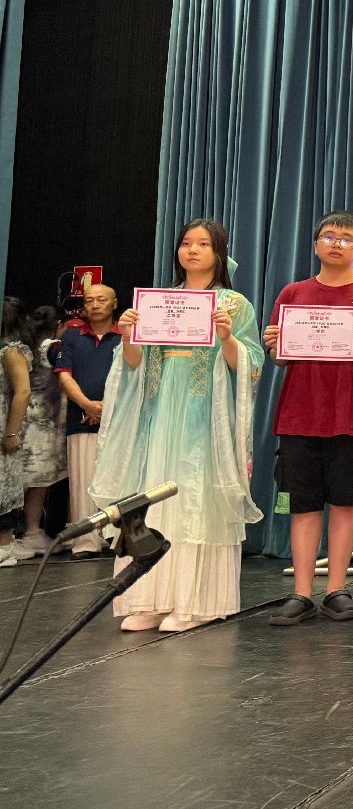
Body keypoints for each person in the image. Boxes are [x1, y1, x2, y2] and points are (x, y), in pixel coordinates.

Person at [93, 219, 264, 631]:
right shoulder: (159, 301)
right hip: (160, 411)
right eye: (187, 243)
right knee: (156, 498)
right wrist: (128, 335)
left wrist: (227, 338)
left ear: (218, 253)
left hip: (204, 413)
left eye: (203, 244)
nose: (193, 250)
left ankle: (195, 601)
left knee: (195, 498)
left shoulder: (233, 304)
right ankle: (151, 597)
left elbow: (251, 364)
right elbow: (134, 364)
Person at [262, 212, 353, 626]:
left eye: (347, 238)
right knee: (302, 505)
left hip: (348, 417)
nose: (337, 243)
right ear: (316, 244)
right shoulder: (293, 293)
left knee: (345, 502)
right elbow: (279, 359)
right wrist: (274, 344)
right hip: (298, 416)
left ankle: (336, 589)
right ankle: (301, 592)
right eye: (329, 236)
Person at [56, 284, 122, 558]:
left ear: (114, 303)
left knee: (119, 479)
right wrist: (87, 405)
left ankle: (118, 538)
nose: (94, 305)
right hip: (80, 419)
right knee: (82, 482)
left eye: (101, 300)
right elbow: (64, 376)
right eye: (89, 300)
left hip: (120, 421)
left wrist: (109, 408)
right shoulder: (72, 336)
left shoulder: (126, 335)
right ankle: (85, 541)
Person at [15, 305, 67, 553]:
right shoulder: (52, 348)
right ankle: (32, 531)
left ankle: (17, 532)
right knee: (37, 483)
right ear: (59, 325)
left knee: (22, 480)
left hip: (20, 420)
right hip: (42, 424)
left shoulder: (21, 346)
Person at [0, 298, 34, 568]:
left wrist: (11, 433)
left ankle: (4, 545)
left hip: (3, 427)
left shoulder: (11, 351)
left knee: (5, 485)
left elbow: (23, 391)